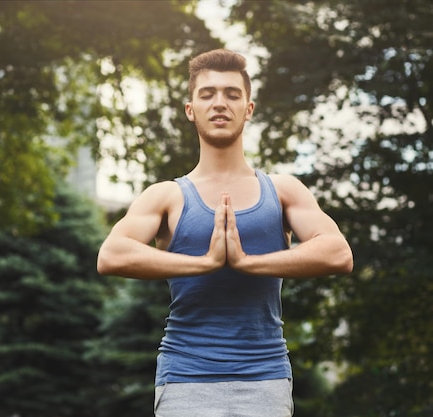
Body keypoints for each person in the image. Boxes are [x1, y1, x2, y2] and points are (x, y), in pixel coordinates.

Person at [96, 48, 353, 417]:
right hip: (185, 378)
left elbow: (338, 254)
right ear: (191, 110)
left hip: (265, 378)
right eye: (207, 94)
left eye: (232, 94)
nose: (220, 103)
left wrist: (248, 262)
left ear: (249, 109)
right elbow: (111, 255)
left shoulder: (283, 191)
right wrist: (206, 263)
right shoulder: (166, 195)